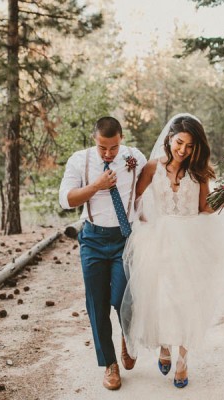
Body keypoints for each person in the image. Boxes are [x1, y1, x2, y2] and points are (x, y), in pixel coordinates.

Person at [120, 113, 224, 389]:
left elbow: (204, 207)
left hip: (192, 239)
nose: (183, 150)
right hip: (159, 239)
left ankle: (183, 361)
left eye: (190, 146)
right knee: (161, 298)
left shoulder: (199, 172)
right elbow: (134, 199)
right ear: (169, 139)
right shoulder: (152, 168)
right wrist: (145, 221)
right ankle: (164, 346)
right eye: (180, 143)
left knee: (188, 300)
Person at [59, 116, 147, 390]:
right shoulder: (79, 160)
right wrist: (97, 185)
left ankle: (127, 337)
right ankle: (109, 364)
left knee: (123, 299)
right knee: (96, 303)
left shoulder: (136, 157)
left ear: (121, 138)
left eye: (113, 147)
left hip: (126, 238)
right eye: (102, 148)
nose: (108, 153)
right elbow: (66, 200)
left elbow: (149, 192)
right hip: (93, 238)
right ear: (94, 140)